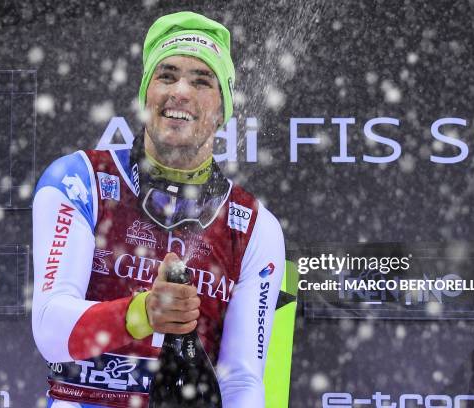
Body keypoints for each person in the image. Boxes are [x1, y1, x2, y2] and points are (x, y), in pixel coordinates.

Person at [32, 11, 285, 408]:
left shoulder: (254, 225)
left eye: (202, 81)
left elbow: (241, 382)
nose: (180, 91)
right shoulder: (80, 179)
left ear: (222, 110)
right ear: (145, 95)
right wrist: (144, 312)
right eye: (166, 76)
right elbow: (50, 331)